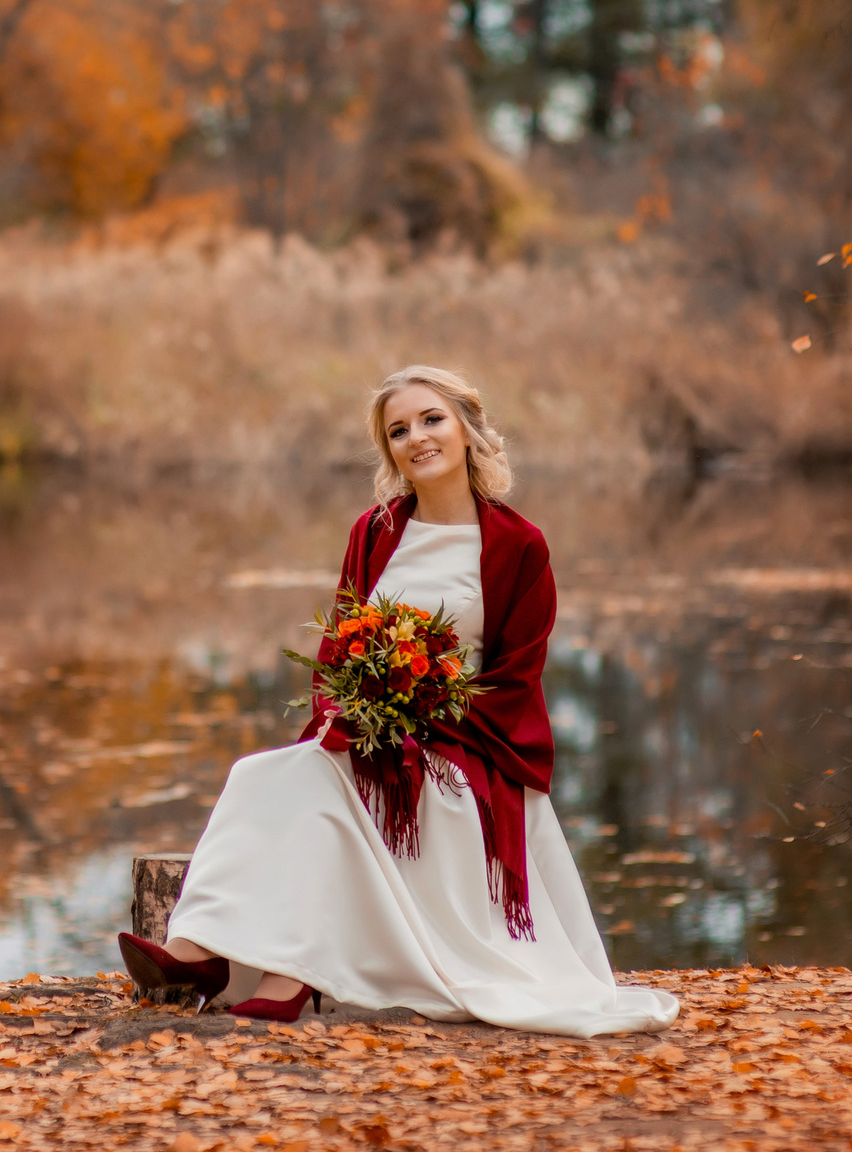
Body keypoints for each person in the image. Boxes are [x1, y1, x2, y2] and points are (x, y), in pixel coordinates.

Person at [116, 365, 681, 1033]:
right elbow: (337, 647)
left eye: (432, 419)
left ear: (468, 428)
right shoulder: (376, 530)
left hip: (464, 750)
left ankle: (281, 973)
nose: (418, 438)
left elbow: (516, 676)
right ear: (389, 451)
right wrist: (354, 710)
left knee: (312, 787)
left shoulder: (517, 546)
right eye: (399, 430)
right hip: (370, 732)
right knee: (261, 773)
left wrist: (426, 714)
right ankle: (195, 953)